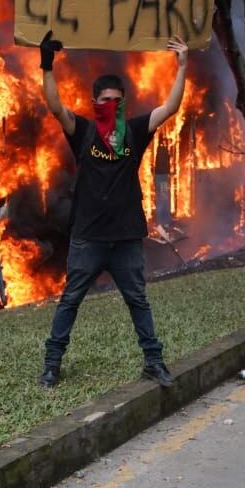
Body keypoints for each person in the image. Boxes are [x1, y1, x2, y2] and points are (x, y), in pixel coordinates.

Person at [37, 30, 187, 389]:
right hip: (88, 237)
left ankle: (154, 362)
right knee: (70, 300)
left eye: (118, 101)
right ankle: (51, 365)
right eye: (106, 100)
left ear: (124, 103)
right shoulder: (83, 131)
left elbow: (170, 108)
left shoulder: (134, 131)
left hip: (125, 238)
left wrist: (182, 65)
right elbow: (56, 107)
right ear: (94, 102)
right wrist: (46, 65)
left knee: (137, 300)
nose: (112, 105)